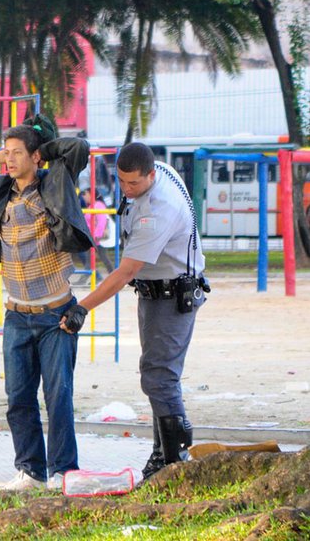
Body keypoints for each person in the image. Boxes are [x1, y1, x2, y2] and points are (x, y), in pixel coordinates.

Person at [0, 115, 94, 491]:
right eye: (5, 152)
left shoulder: (56, 183)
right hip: (16, 314)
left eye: (17, 153)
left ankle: (63, 470)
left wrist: (38, 150)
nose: (9, 160)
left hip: (56, 315)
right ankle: (31, 471)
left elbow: (78, 148)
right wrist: (1, 155)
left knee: (58, 396)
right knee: (18, 397)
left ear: (35, 156)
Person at [61, 142, 208, 479]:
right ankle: (163, 454)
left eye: (134, 184)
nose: (127, 189)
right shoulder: (155, 176)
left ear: (151, 175)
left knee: (159, 375)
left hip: (173, 295)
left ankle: (173, 460)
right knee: (154, 373)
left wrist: (82, 307)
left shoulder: (159, 210)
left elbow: (125, 271)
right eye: (122, 182)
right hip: (154, 292)